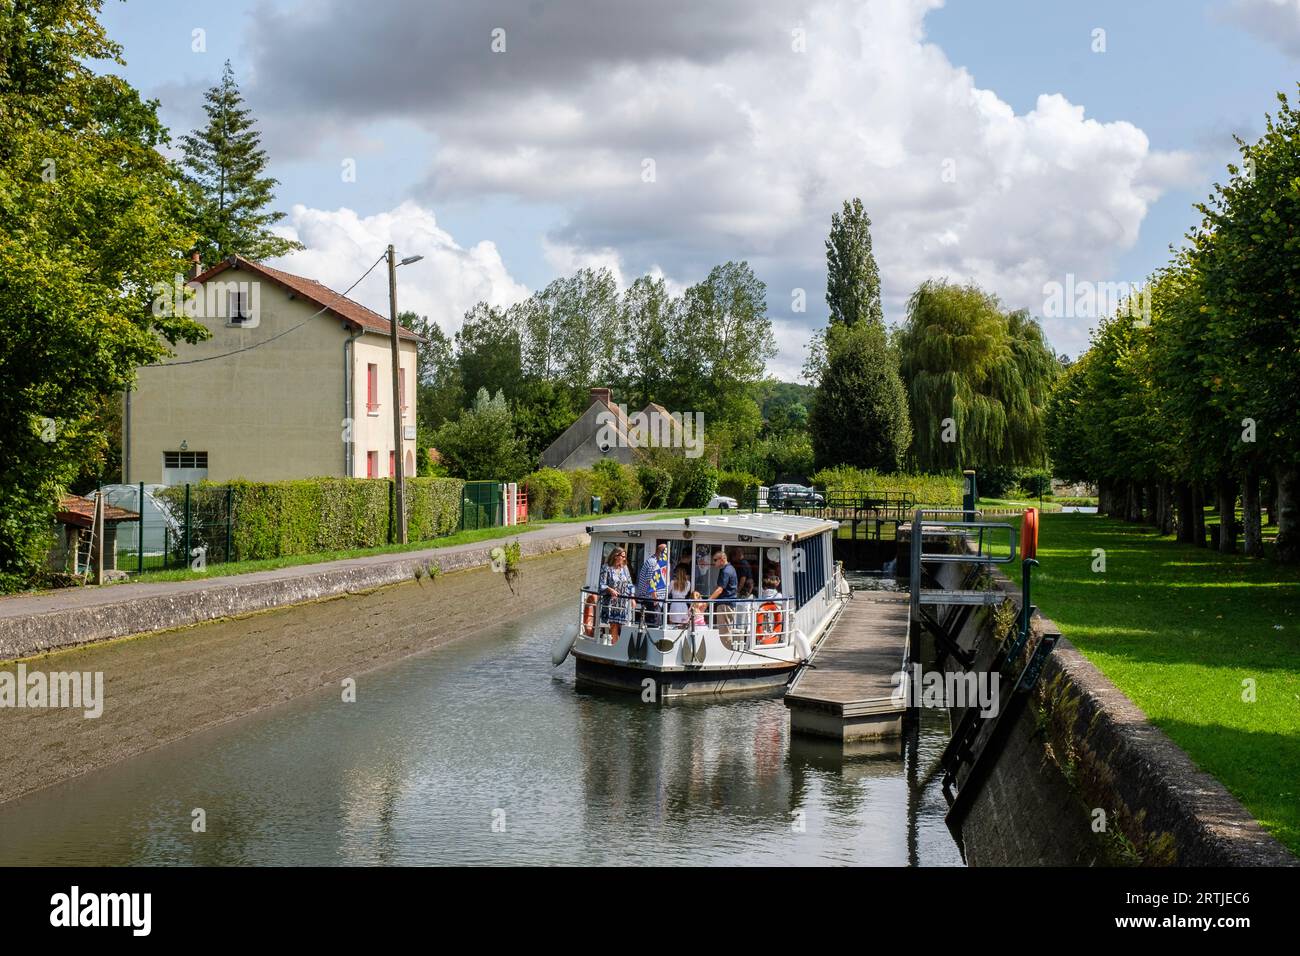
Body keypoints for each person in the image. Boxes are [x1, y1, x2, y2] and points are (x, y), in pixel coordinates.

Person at [598, 547, 633, 644]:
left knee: (623, 625)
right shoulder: (606, 568)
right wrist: (610, 589)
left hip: (623, 603)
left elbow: (630, 584)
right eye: (622, 556)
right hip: (611, 602)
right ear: (615, 556)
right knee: (613, 625)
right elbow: (601, 585)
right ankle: (615, 645)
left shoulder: (625, 568)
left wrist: (633, 597)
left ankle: (622, 646)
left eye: (625, 557)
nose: (624, 559)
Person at [635, 541, 670, 628]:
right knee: (653, 627)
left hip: (654, 600)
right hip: (651, 601)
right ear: (662, 553)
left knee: (656, 626)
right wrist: (655, 599)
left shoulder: (656, 562)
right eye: (667, 553)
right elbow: (650, 581)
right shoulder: (653, 563)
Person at [708, 548, 738, 634]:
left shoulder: (726, 571)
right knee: (726, 629)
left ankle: (727, 647)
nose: (713, 562)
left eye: (715, 560)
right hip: (729, 603)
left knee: (724, 631)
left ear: (722, 559)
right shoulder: (730, 568)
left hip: (725, 604)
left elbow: (719, 590)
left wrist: (707, 602)